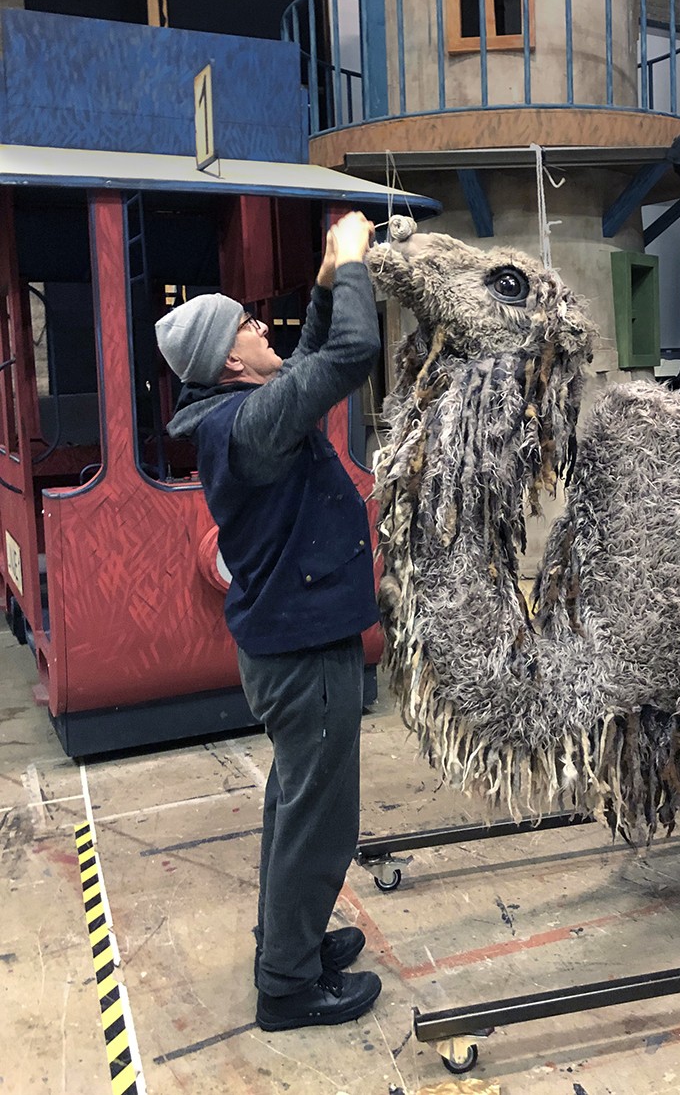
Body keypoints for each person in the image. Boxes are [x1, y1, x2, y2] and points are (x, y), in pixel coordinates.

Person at [155, 210, 382, 1031]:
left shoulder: (239, 414)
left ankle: (286, 943)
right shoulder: (250, 426)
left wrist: (325, 281)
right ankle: (286, 987)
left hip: (286, 646)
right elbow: (352, 357)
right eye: (250, 324)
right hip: (304, 653)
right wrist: (355, 259)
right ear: (227, 359)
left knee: (294, 807)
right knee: (321, 824)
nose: (263, 328)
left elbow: (316, 357)